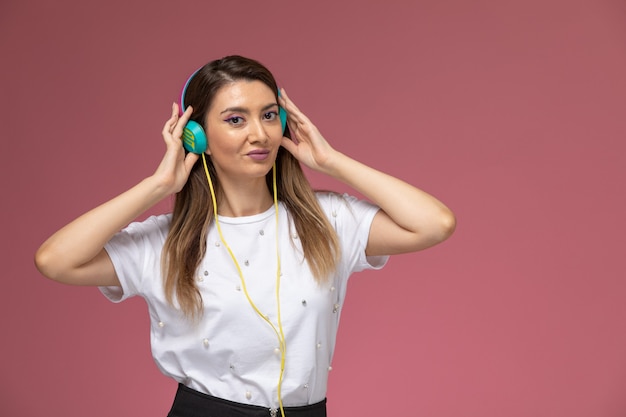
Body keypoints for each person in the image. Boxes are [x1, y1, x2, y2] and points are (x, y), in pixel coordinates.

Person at [35, 55, 456, 417]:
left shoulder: (327, 220)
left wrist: (331, 161)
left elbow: (434, 223)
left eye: (269, 115)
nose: (260, 133)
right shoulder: (164, 243)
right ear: (196, 135)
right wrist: (157, 186)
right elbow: (55, 259)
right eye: (236, 119)